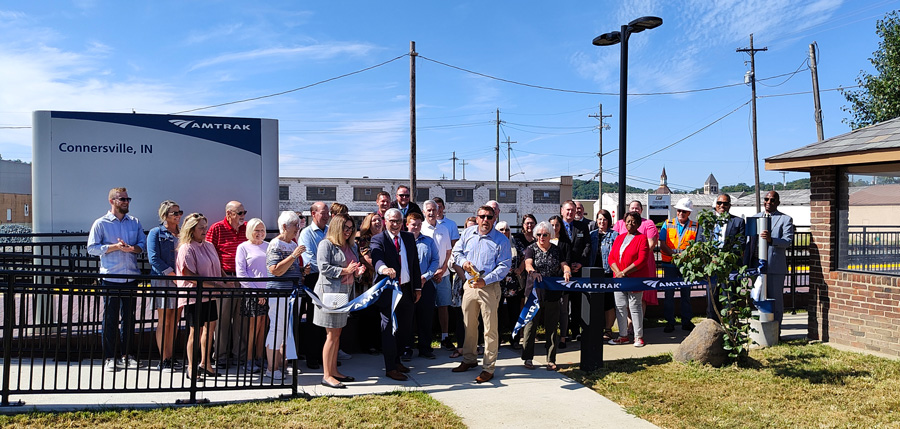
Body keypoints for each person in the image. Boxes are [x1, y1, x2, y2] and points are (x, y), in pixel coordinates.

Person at [87, 187, 146, 372]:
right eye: (122, 199)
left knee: (129, 318)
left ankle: (128, 355)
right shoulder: (101, 223)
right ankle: (110, 357)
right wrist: (114, 247)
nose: (126, 202)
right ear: (112, 201)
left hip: (130, 276)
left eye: (128, 199)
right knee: (110, 318)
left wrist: (131, 248)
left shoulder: (134, 222)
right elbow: (92, 248)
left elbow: (142, 245)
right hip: (111, 277)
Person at [451, 205, 511, 384]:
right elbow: (456, 252)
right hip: (470, 285)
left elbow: (505, 265)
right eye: (482, 216)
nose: (485, 220)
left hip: (489, 287)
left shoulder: (501, 240)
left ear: (494, 219)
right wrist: (463, 262)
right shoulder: (468, 234)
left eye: (489, 217)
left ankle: (488, 368)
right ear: (476, 218)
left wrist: (486, 280)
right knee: (469, 325)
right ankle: (469, 360)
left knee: (489, 329)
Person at [370, 208, 422, 381]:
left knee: (405, 329)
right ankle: (390, 367)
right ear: (385, 221)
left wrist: (417, 288)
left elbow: (414, 264)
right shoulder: (378, 239)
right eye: (392, 221)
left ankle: (397, 359)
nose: (395, 224)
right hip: (388, 292)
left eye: (399, 221)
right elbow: (377, 258)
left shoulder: (408, 238)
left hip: (407, 290)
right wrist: (384, 269)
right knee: (389, 329)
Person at [315, 213, 365, 389]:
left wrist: (357, 273)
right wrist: (346, 270)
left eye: (351, 228)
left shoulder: (351, 246)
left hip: (345, 294)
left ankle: (334, 371)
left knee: (337, 335)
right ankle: (327, 375)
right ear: (336, 227)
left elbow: (353, 269)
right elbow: (323, 268)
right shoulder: (326, 244)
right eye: (346, 228)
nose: (349, 231)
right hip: (330, 295)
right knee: (331, 335)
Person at [176, 213, 228, 379]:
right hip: (194, 296)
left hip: (210, 295)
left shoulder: (209, 245)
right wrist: (215, 285)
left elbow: (217, 266)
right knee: (194, 331)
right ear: (192, 230)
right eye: (201, 228)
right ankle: (191, 367)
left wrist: (226, 279)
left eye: (206, 227)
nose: (205, 230)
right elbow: (188, 274)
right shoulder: (186, 248)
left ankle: (206, 363)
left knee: (210, 328)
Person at [521, 221, 571, 371]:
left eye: (545, 235)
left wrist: (567, 271)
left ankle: (551, 359)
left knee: (551, 327)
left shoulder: (556, 250)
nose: (541, 237)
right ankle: (528, 358)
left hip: (552, 294)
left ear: (550, 235)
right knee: (530, 327)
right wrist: (532, 272)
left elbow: (564, 264)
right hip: (534, 294)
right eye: (539, 234)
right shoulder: (531, 248)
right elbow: (528, 263)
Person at [265, 211, 307, 380]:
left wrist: (302, 270)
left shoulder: (291, 244)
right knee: (277, 328)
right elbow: (274, 269)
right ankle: (271, 367)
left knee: (287, 329)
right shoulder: (275, 244)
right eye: (295, 225)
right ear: (284, 226)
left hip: (291, 292)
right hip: (279, 292)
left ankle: (281, 365)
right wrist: (294, 256)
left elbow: (289, 268)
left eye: (298, 224)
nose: (298, 228)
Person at [205, 201, 248, 367]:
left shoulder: (246, 229)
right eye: (240, 213)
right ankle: (221, 357)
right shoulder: (216, 228)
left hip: (243, 279)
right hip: (224, 280)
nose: (243, 216)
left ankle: (240, 357)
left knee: (241, 320)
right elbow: (210, 255)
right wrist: (223, 278)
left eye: (244, 212)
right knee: (222, 320)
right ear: (229, 213)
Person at [146, 200, 183, 371]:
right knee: (165, 320)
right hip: (163, 279)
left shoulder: (183, 234)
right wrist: (172, 274)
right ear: (164, 215)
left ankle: (171, 355)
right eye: (174, 213)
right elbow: (154, 258)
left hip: (180, 280)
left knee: (175, 319)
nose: (178, 216)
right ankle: (164, 358)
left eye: (179, 212)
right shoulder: (156, 233)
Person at [608, 212, 652, 348]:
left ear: (638, 224)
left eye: (633, 222)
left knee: (635, 306)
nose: (630, 224)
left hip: (634, 279)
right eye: (627, 221)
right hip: (619, 279)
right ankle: (623, 335)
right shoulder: (619, 238)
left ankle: (638, 337)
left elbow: (642, 260)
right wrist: (618, 272)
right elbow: (611, 258)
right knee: (620, 306)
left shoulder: (642, 238)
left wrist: (625, 272)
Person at [698, 194, 746, 320]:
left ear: (730, 205)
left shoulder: (738, 222)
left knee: (730, 299)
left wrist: (725, 258)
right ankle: (713, 327)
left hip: (729, 267)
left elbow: (740, 243)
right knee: (712, 300)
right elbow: (700, 242)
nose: (722, 206)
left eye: (725, 203)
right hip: (711, 266)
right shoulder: (706, 222)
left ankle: (731, 329)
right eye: (719, 203)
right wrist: (710, 258)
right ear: (715, 205)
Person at [753, 191, 794, 328]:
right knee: (757, 297)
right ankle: (760, 328)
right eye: (766, 199)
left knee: (775, 301)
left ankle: (776, 331)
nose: (768, 202)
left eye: (772, 200)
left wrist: (772, 240)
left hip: (775, 267)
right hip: (757, 268)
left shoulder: (785, 219)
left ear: (778, 202)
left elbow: (787, 241)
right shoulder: (755, 218)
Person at [235, 218, 269, 374]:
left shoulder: (269, 246)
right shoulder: (243, 247)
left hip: (269, 293)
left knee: (264, 327)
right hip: (252, 293)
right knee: (253, 328)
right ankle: (248, 360)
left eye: (262, 230)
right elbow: (241, 273)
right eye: (256, 230)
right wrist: (256, 293)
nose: (260, 233)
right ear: (250, 231)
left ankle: (259, 357)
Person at [659, 197, 699, 332]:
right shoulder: (667, 223)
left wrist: (684, 256)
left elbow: (697, 246)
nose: (681, 213)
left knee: (686, 294)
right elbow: (662, 244)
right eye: (679, 211)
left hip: (686, 265)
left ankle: (686, 321)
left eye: (684, 211)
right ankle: (669, 322)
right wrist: (674, 255)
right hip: (669, 264)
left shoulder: (695, 226)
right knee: (668, 295)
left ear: (689, 213)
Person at [298, 202, 330, 369]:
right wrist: (330, 267)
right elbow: (309, 259)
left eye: (328, 213)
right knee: (313, 319)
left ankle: (325, 356)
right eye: (323, 213)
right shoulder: (306, 234)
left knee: (328, 319)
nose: (326, 216)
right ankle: (312, 357)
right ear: (313, 213)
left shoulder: (330, 231)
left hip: (331, 279)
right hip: (315, 279)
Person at [556, 200, 591, 346]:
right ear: (562, 211)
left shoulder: (582, 227)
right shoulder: (556, 227)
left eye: (573, 210)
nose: (570, 213)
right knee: (562, 303)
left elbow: (588, 245)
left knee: (577, 302)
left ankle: (575, 330)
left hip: (577, 270)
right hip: (560, 271)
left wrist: (580, 263)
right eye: (568, 210)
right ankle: (562, 332)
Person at [613, 200, 659, 312]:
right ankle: (628, 325)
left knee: (639, 296)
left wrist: (636, 261)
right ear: (629, 210)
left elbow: (650, 245)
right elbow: (614, 244)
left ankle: (635, 326)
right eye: (632, 208)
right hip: (620, 266)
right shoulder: (620, 223)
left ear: (641, 210)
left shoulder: (648, 223)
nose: (634, 210)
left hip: (641, 264)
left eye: (637, 208)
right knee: (623, 298)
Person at [421, 200, 454, 353]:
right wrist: (431, 273)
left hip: (443, 274)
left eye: (434, 209)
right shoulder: (419, 229)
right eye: (429, 210)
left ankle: (445, 337)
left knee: (443, 306)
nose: (432, 212)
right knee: (425, 309)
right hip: (426, 277)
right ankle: (424, 341)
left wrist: (443, 268)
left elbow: (448, 252)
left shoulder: (444, 229)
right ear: (424, 212)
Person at [407, 212, 440, 360]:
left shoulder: (428, 241)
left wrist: (425, 277)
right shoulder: (401, 241)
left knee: (425, 317)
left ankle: (425, 348)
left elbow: (435, 261)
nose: (416, 227)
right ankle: (406, 348)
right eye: (413, 224)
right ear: (407, 224)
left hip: (425, 284)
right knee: (407, 318)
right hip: (407, 285)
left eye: (419, 224)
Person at [446, 216, 478, 358]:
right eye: (469, 227)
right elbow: (454, 263)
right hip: (462, 283)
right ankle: (460, 346)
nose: (471, 230)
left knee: (476, 317)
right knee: (461, 316)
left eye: (474, 227)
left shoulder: (480, 242)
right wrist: (467, 279)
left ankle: (475, 346)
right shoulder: (460, 243)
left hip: (479, 282)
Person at [354, 213, 384, 354]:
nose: (378, 222)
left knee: (380, 313)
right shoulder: (365, 239)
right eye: (374, 220)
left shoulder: (385, 237)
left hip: (383, 281)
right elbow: (366, 258)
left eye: (379, 220)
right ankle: (368, 345)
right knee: (368, 314)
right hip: (369, 282)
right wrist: (384, 268)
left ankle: (379, 343)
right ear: (368, 223)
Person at [590, 209, 619, 340]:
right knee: (594, 301)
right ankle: (596, 328)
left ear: (609, 221)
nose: (602, 222)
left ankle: (608, 329)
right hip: (593, 272)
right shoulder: (591, 235)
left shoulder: (615, 235)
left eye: (605, 219)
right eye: (600, 219)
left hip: (608, 272)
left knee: (608, 302)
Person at [496, 220, 523, 349]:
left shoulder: (515, 243)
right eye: (501, 229)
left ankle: (515, 340)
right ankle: (497, 339)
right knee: (497, 312)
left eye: (506, 229)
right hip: (498, 283)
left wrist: (520, 269)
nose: (504, 232)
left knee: (514, 313)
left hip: (513, 283)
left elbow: (525, 257)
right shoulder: (493, 243)